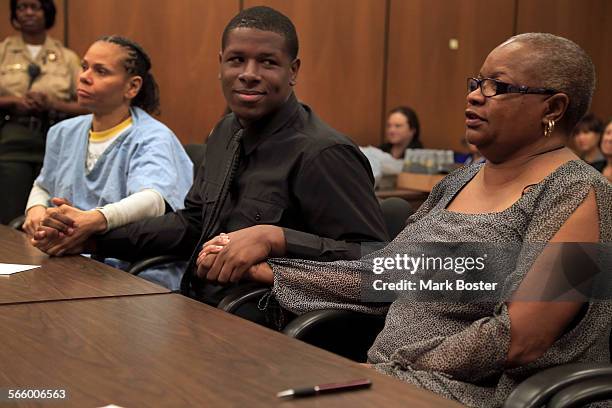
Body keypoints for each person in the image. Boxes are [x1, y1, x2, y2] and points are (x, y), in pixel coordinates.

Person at [235, 33, 612, 407]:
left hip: (484, 394)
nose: (476, 94)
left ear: (553, 108)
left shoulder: (581, 193)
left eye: (497, 85)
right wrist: (277, 272)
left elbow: (521, 339)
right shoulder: (459, 181)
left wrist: (392, 370)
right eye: (477, 82)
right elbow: (389, 275)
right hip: (392, 379)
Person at [32, 7, 387, 300]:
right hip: (200, 307)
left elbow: (383, 271)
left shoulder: (323, 152)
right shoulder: (224, 132)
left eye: (267, 62)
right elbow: (193, 225)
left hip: (273, 329)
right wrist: (92, 238)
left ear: (293, 71)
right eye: (236, 60)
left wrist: (275, 238)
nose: (248, 74)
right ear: (221, 64)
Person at [24, 36, 193, 289]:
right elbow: (44, 185)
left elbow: (154, 199)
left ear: (132, 87)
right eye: (84, 67)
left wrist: (90, 220)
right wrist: (35, 211)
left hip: (132, 274)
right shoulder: (62, 132)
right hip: (68, 263)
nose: (84, 76)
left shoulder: (153, 136)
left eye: (100, 71)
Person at [0, 0, 85, 224]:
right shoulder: (3, 52)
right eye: (21, 7)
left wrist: (53, 104)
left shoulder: (66, 57)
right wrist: (13, 101)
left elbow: (86, 104)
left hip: (57, 141)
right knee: (11, 215)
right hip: (12, 143)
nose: (28, 12)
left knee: (50, 214)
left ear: (46, 12)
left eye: (35, 7)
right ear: (14, 14)